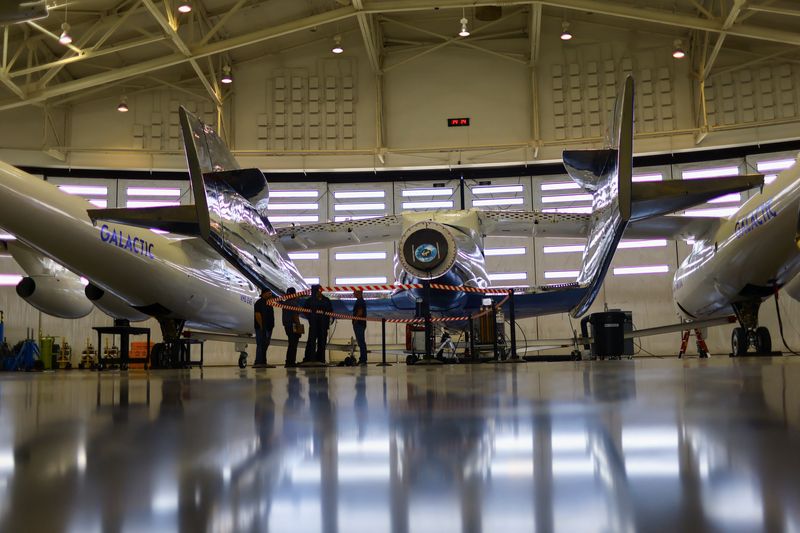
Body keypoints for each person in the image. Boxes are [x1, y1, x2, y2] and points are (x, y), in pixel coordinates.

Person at [303, 286, 334, 364]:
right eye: (316, 291)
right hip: (314, 325)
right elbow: (304, 310)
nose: (318, 292)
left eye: (319, 291)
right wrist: (310, 318)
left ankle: (320, 359)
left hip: (323, 325)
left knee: (322, 342)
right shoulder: (310, 301)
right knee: (311, 342)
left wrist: (331, 319)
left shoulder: (326, 300)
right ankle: (308, 359)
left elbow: (331, 311)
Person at [253, 288, 275, 368]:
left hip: (268, 328)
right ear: (264, 294)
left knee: (265, 344)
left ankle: (263, 362)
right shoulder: (259, 303)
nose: (271, 295)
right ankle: (258, 362)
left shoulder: (269, 303)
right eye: (269, 293)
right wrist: (262, 326)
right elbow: (257, 315)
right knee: (261, 344)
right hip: (262, 328)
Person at [282, 287, 302, 368]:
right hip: (293, 326)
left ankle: (289, 361)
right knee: (293, 345)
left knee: (291, 344)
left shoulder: (285, 303)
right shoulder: (294, 304)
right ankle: (291, 362)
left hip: (287, 326)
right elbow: (295, 317)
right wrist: (299, 328)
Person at [352, 289, 368, 365]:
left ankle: (363, 359)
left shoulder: (360, 301)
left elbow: (360, 312)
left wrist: (355, 320)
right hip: (360, 324)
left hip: (359, 324)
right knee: (361, 342)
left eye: (354, 292)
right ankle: (363, 359)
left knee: (361, 342)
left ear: (359, 293)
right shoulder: (359, 301)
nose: (353, 293)